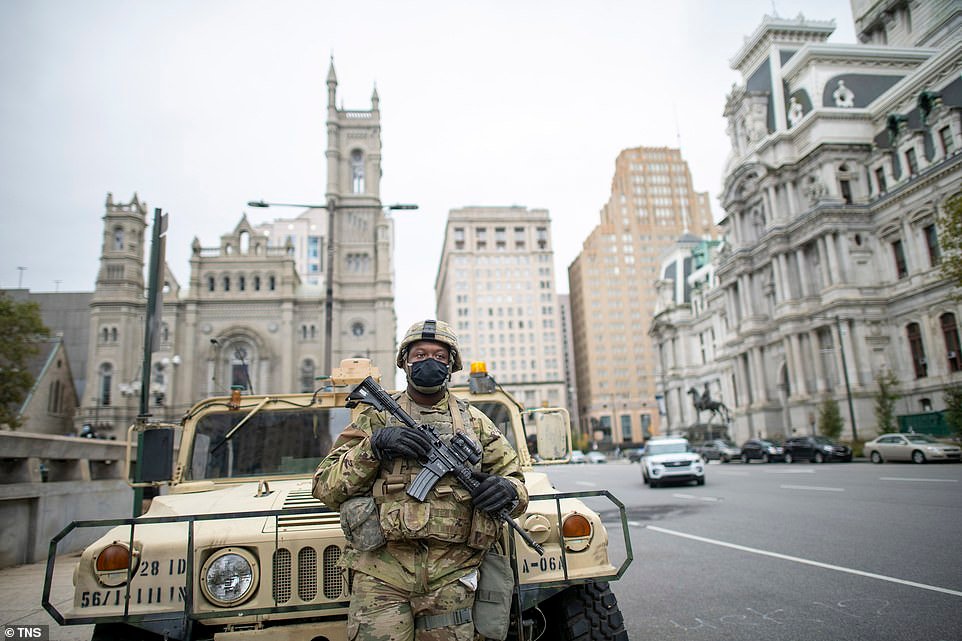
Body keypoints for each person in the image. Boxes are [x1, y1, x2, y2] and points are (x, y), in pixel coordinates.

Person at [313, 319, 528, 641]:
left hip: (452, 573)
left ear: (451, 365)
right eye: (420, 354)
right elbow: (325, 486)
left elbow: (516, 483)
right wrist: (374, 446)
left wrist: (507, 490)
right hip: (381, 572)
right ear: (405, 362)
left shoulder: (475, 423)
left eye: (440, 357)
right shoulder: (374, 418)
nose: (429, 361)